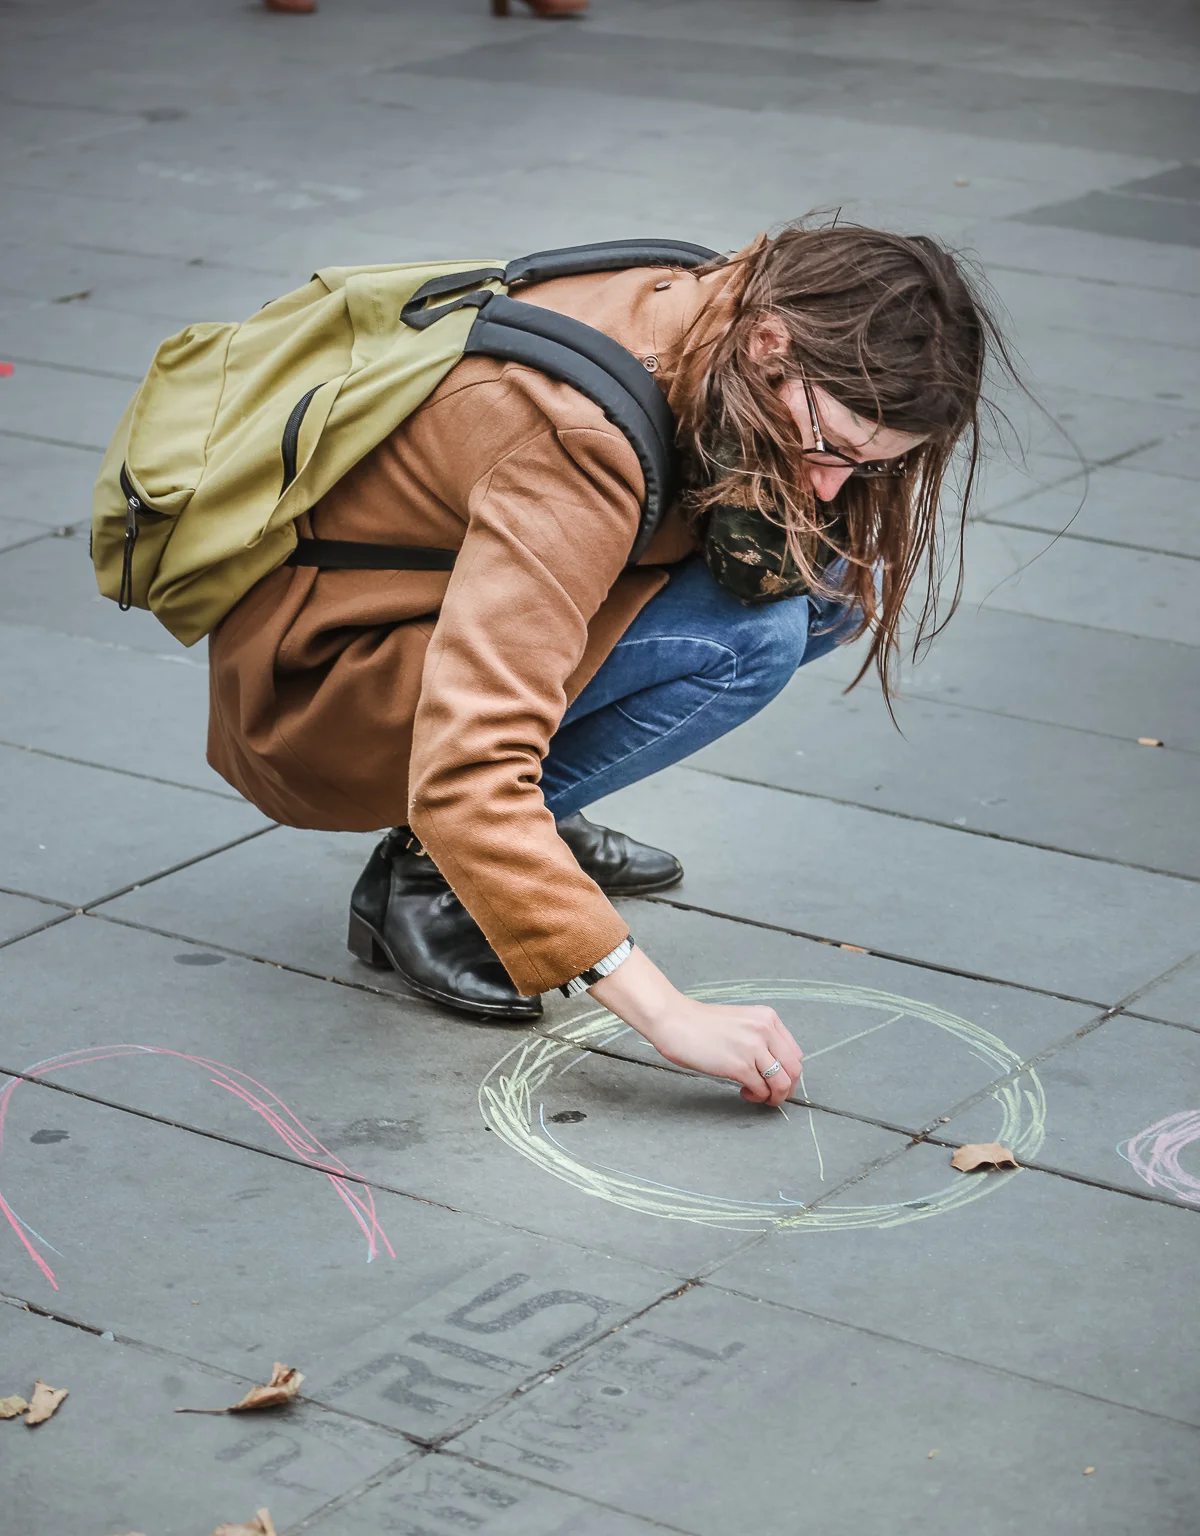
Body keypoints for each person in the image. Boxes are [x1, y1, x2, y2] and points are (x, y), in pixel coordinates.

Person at [207, 219, 1008, 1111]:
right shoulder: (573, 440)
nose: (832, 484)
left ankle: (539, 820)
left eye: (872, 466)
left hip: (433, 617)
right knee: (753, 638)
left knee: (826, 588)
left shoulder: (729, 300)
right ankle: (434, 882)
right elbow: (468, 768)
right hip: (328, 687)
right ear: (775, 341)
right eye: (831, 447)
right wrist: (664, 1013)